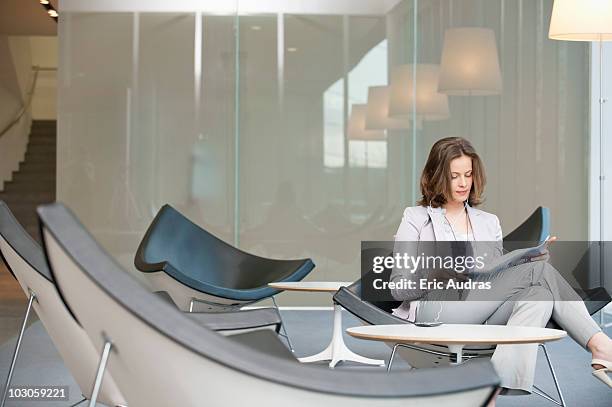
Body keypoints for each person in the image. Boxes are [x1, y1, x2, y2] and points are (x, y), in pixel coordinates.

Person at [390, 137, 612, 402]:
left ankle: (493, 386)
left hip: (482, 308)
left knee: (538, 294)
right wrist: (433, 275)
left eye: (468, 174)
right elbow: (397, 288)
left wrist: (525, 261)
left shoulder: (488, 222)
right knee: (539, 274)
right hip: (436, 308)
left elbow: (495, 276)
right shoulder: (416, 218)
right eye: (454, 176)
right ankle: (601, 346)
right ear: (436, 176)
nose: (463, 183)